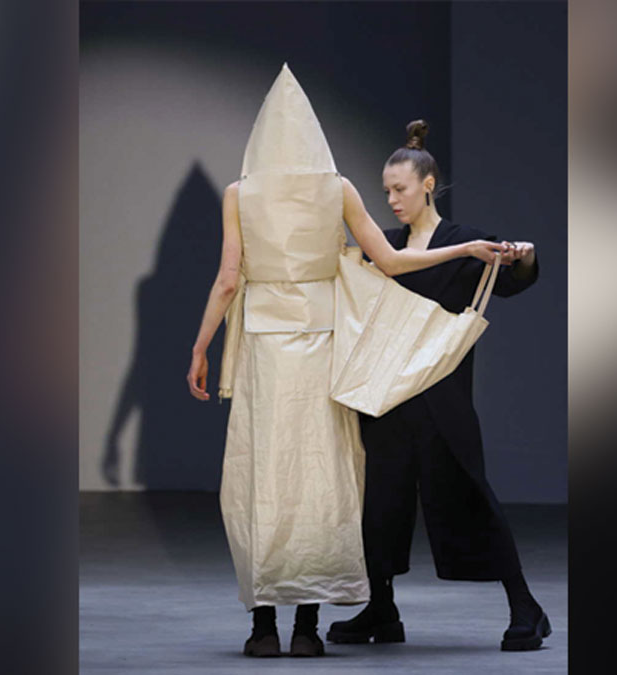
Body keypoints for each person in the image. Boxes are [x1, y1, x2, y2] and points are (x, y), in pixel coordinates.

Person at [186, 66, 506, 658]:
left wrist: (201, 346)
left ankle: (263, 628)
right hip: (322, 343)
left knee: (262, 473)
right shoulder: (336, 189)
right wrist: (463, 248)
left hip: (264, 348)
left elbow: (228, 279)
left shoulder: (239, 194)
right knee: (321, 474)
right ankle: (307, 627)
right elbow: (389, 260)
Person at [326, 120, 550, 652]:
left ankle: (526, 606)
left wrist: (524, 256)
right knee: (381, 501)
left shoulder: (462, 242)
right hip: (387, 395)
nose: (391, 200)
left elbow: (512, 282)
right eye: (386, 191)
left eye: (399, 189)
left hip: (442, 394)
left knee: (469, 492)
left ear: (427, 185)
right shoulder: (388, 247)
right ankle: (381, 609)